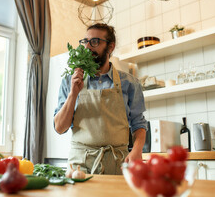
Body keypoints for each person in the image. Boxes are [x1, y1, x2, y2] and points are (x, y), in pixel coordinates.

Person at [54, 23, 147, 175]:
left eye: (95, 42)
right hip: (80, 166)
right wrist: (73, 94)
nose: (88, 47)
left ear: (110, 47)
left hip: (118, 165)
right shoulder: (69, 81)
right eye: (85, 41)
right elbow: (60, 127)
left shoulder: (130, 83)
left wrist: (137, 150)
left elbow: (138, 124)